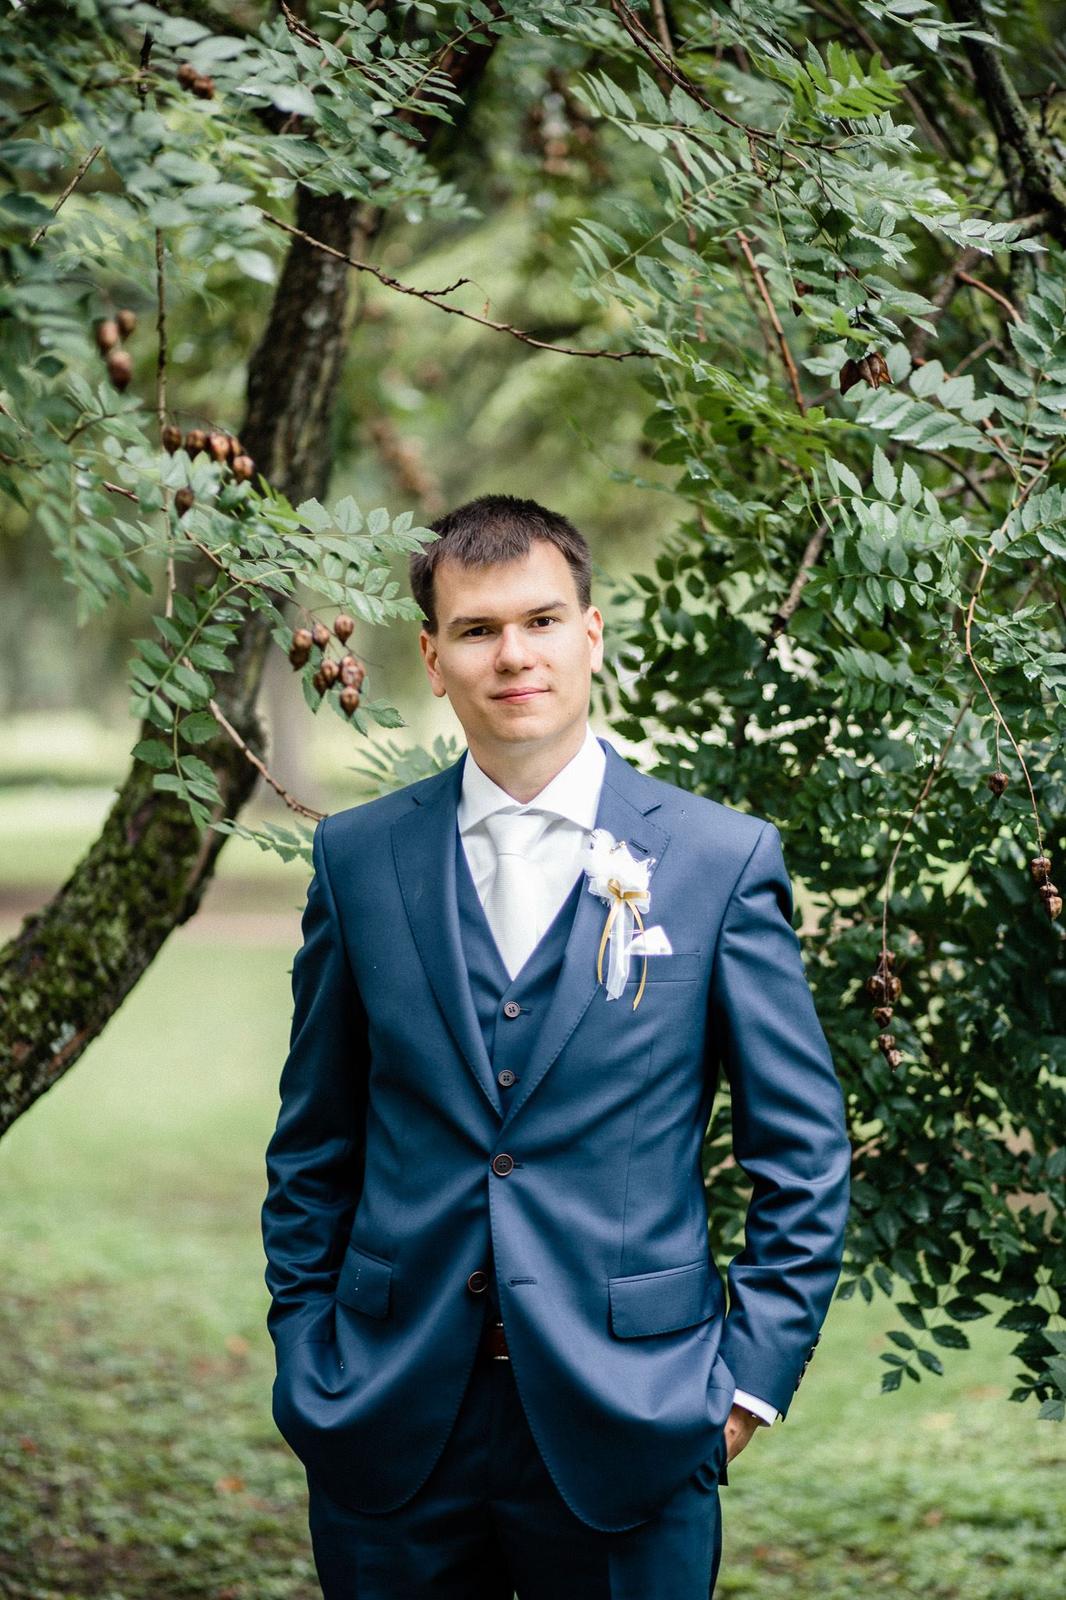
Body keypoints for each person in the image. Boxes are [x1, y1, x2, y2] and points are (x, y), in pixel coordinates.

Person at [261, 494, 851, 1599]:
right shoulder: (358, 859)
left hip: (638, 1414)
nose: (513, 655)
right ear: (433, 658)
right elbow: (314, 1140)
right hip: (388, 1413)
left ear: (590, 634)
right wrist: (307, 1351)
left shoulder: (717, 862)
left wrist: (743, 1387)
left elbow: (803, 1153)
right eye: (477, 630)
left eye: (539, 621)